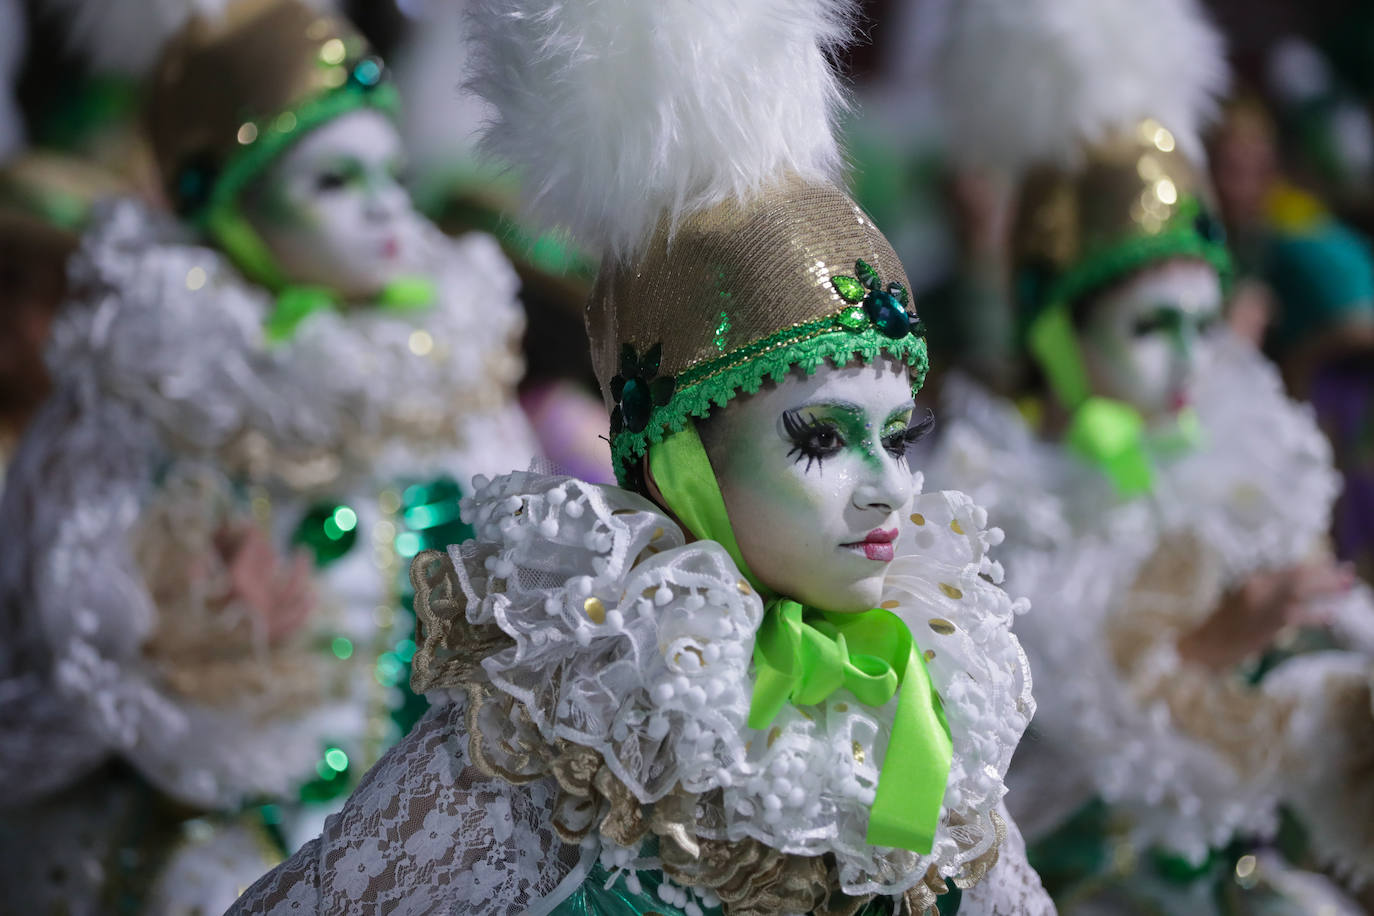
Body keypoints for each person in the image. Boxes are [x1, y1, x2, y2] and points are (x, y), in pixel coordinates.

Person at [228, 1, 1054, 912]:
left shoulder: (929, 691)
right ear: (680, 464)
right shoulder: (582, 714)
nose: (889, 491)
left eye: (899, 440)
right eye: (819, 439)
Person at [0, 2, 538, 911]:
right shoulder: (158, 380)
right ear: (227, 202)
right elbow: (76, 638)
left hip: (418, 833)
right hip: (200, 826)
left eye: (391, 174)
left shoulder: (455, 375)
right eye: (333, 180)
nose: (383, 207)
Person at [930, 0, 1374, 910]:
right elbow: (1036, 781)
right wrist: (1209, 646)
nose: (1188, 358)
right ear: (1058, 330)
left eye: (1201, 323)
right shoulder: (996, 502)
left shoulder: (1242, 450)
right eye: (1149, 325)